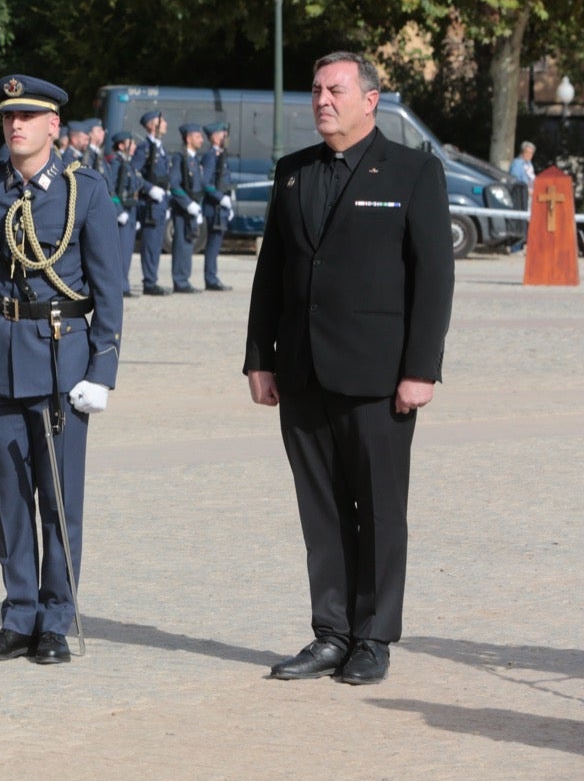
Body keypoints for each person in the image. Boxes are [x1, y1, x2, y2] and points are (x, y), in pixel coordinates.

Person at [245, 51, 453, 687]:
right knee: (322, 511)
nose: (321, 100)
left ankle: (374, 636)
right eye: (315, 91)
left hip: (379, 377)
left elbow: (434, 278)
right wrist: (260, 359)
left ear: (371, 98)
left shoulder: (415, 172)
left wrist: (421, 370)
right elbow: (271, 274)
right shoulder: (292, 173)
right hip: (303, 372)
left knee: (380, 511)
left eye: (335, 89)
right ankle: (330, 632)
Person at [0, 74, 123, 665]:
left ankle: (55, 619)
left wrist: (102, 368)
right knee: (11, 498)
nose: (14, 126)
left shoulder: (84, 191)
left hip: (59, 360)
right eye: (8, 117)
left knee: (58, 497)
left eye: (28, 117)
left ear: (53, 127)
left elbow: (108, 287)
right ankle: (19, 615)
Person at [167, 123, 206, 293]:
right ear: (189, 138)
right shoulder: (180, 158)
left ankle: (184, 278)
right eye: (198, 136)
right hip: (184, 208)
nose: (201, 140)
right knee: (182, 243)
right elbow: (174, 184)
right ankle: (180, 280)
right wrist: (187, 203)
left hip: (193, 206)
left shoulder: (194, 159)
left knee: (189, 243)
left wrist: (197, 206)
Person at [136, 109, 171, 296]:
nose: (165, 124)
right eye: (161, 121)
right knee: (150, 243)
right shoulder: (145, 148)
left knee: (156, 243)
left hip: (161, 202)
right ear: (152, 125)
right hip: (150, 203)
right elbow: (134, 173)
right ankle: (149, 281)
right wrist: (150, 189)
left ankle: (152, 278)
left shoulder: (159, 148)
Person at [104, 131, 142, 297]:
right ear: (121, 146)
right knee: (120, 253)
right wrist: (118, 211)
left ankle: (124, 284)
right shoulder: (116, 163)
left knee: (127, 253)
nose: (133, 147)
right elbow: (111, 189)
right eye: (130, 143)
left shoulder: (128, 163)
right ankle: (119, 287)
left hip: (131, 212)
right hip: (122, 213)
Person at [199, 122, 234, 291]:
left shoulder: (221, 155)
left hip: (221, 207)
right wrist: (220, 198)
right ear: (214, 137)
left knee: (216, 242)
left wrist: (229, 201)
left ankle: (212, 276)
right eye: (222, 134)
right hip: (214, 207)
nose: (225, 136)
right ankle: (210, 278)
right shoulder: (211, 156)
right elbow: (205, 182)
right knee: (213, 243)